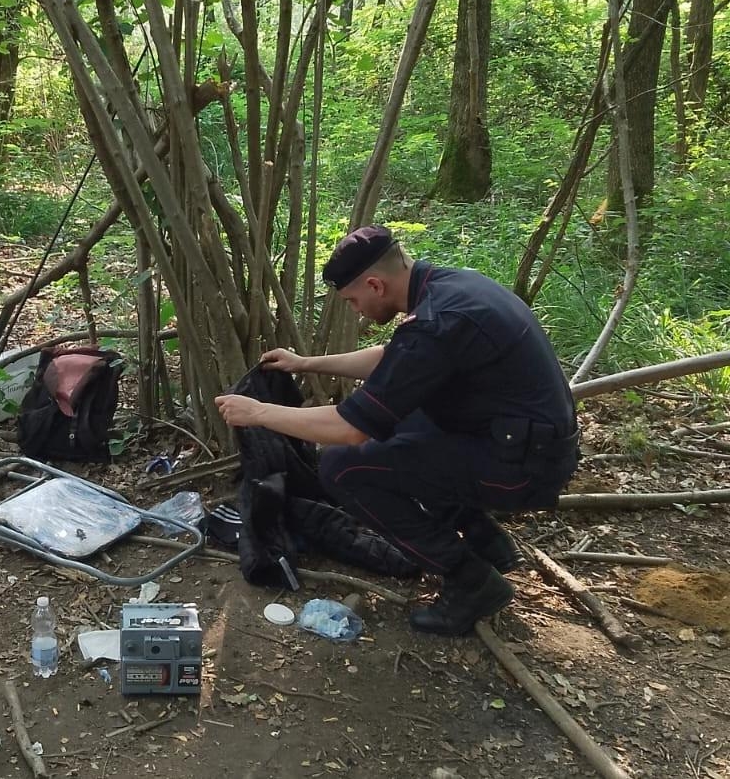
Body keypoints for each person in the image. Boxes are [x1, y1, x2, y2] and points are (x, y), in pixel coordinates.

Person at [215, 226, 579, 636]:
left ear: (375, 283)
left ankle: (470, 580)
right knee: (402, 427)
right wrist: (305, 363)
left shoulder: (436, 323)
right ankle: (485, 539)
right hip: (522, 442)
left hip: (523, 467)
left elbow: (349, 428)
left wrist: (260, 412)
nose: (355, 310)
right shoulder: (453, 287)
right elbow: (393, 360)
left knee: (343, 468)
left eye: (353, 300)